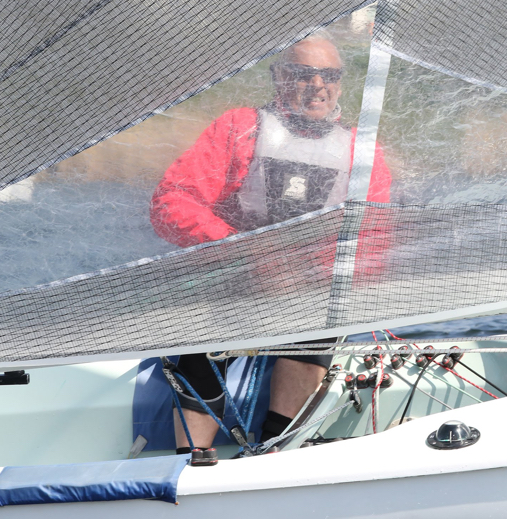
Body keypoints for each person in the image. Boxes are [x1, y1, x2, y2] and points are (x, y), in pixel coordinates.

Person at [150, 35, 391, 453]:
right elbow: (171, 201)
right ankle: (191, 459)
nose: (318, 85)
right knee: (204, 341)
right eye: (304, 74)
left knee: (317, 324)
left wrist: (315, 270)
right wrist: (240, 249)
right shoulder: (239, 128)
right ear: (280, 77)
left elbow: (375, 236)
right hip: (230, 274)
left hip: (308, 288)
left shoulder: (362, 151)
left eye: (329, 75)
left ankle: (274, 450)